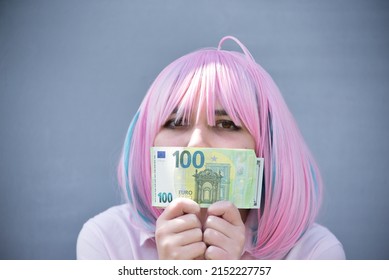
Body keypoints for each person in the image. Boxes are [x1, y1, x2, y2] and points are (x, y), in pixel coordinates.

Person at [76, 36, 346, 260]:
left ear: (265, 144)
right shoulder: (107, 240)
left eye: (226, 124)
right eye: (175, 122)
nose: (196, 144)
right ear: (149, 138)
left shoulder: (315, 252)